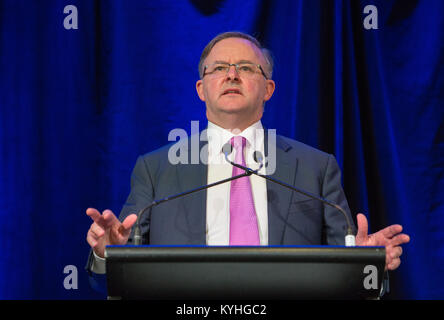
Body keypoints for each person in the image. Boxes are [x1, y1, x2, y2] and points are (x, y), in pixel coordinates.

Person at [85, 32, 410, 277]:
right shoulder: (156, 169)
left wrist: (363, 261)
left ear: (268, 88)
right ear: (202, 89)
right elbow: (119, 271)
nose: (231, 75)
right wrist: (109, 254)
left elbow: (343, 265)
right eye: (220, 68)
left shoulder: (316, 167)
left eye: (245, 67)